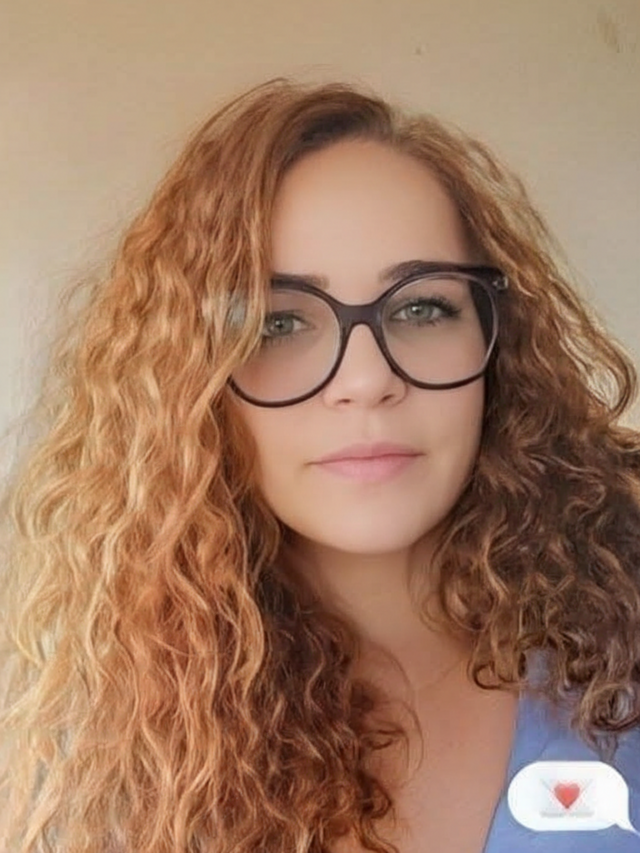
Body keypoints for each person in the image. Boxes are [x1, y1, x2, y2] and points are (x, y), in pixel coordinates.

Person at [1, 77, 640, 853]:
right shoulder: (94, 765)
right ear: (191, 380)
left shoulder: (623, 652)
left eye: (421, 307)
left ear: (496, 342)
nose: (366, 378)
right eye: (278, 322)